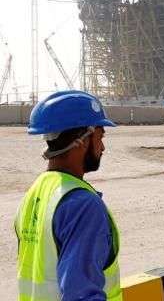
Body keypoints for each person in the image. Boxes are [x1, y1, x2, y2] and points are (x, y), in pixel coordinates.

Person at [15, 90, 122, 300]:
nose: (102, 147)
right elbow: (82, 295)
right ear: (82, 139)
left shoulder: (34, 194)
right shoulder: (83, 206)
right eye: (100, 136)